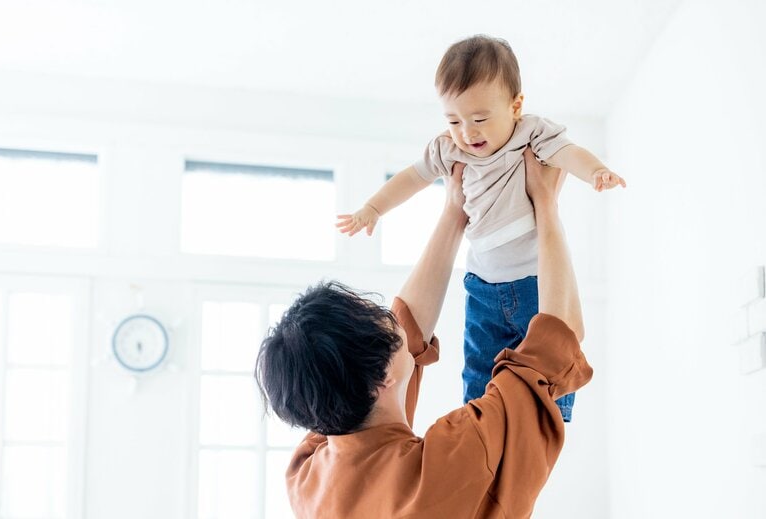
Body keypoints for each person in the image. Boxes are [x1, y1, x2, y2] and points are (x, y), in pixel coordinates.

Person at [256, 148, 593, 518]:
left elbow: (406, 328)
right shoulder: (454, 458)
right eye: (380, 318)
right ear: (383, 377)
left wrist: (455, 210)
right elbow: (558, 341)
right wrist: (546, 205)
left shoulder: (309, 472)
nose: (391, 316)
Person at [336, 35, 621, 421]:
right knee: (479, 364)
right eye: (453, 120)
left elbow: (568, 154)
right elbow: (412, 177)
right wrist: (373, 208)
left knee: (546, 354)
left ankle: (555, 410)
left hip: (533, 278)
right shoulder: (449, 149)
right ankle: (475, 417)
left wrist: (595, 172)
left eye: (480, 119)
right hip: (481, 283)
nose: (467, 132)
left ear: (516, 106)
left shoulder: (531, 134)